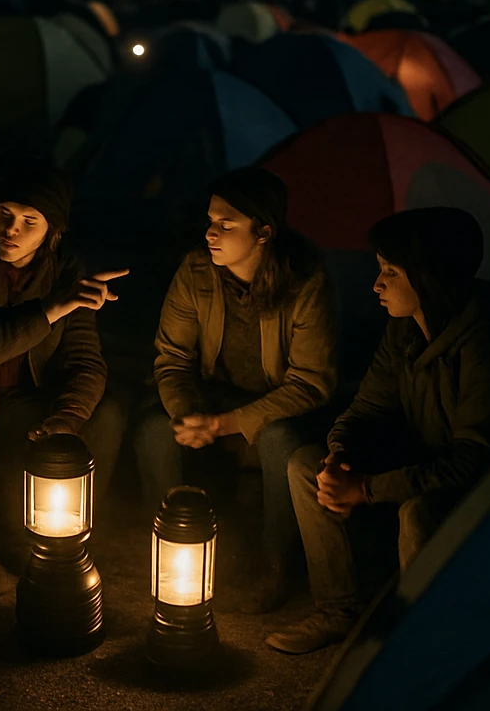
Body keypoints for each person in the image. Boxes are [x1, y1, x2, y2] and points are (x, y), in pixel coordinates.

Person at [266, 207, 490, 654]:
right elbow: (368, 405)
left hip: (481, 489)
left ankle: (419, 636)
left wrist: (365, 490)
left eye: (390, 271)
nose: (376, 284)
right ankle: (337, 609)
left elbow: (473, 460)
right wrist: (338, 458)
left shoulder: (486, 346)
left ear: (427, 275)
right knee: (305, 464)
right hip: (420, 458)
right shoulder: (404, 330)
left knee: (418, 512)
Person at [134, 167, 338, 613]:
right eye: (210, 220)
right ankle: (164, 544)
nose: (211, 233)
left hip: (273, 406)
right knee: (154, 429)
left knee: (283, 442)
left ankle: (276, 565)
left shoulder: (304, 283)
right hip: (210, 396)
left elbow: (310, 382)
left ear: (263, 232)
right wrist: (188, 413)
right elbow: (172, 358)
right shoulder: (196, 272)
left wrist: (227, 425)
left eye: (226, 225)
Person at [0, 160, 129, 569]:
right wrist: (51, 309)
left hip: (28, 398)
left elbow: (87, 361)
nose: (11, 230)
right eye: (5, 215)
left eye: (28, 222)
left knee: (107, 412)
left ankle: (73, 535)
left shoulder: (65, 269)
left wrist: (67, 418)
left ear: (51, 231)